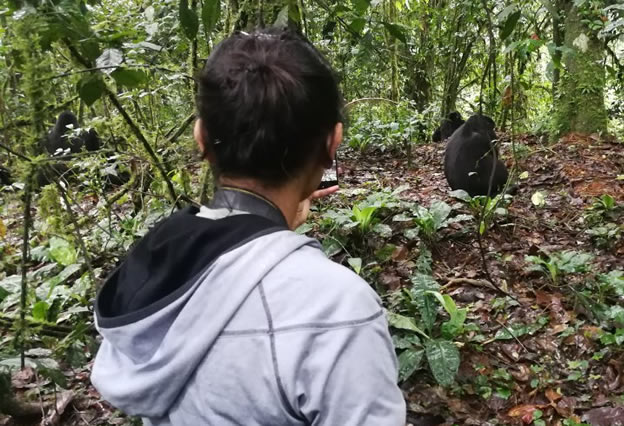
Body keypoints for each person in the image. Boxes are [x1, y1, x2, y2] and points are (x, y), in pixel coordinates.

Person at [90, 28, 406, 425]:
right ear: (333, 143)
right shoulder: (337, 308)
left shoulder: (150, 278)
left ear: (201, 137)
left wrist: (276, 226)